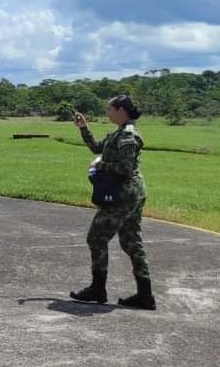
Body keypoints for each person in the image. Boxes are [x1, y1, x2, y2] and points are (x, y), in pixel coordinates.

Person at [70, 95, 155, 309]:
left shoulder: (128, 135)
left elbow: (124, 168)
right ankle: (145, 295)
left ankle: (98, 289)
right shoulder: (119, 133)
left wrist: (100, 167)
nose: (107, 113)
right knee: (131, 241)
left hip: (123, 195)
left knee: (96, 238)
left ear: (121, 110)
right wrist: (83, 128)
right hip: (132, 193)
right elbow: (98, 148)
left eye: (110, 109)